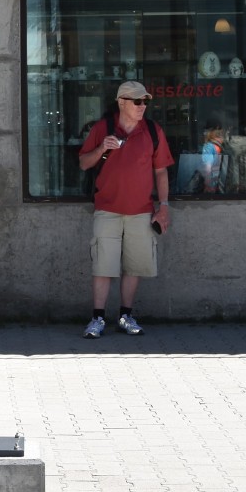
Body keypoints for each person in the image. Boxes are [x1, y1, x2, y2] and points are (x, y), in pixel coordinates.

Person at [77, 80, 172, 338]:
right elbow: (84, 163)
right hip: (107, 209)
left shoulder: (152, 131)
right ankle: (97, 318)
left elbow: (161, 172)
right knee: (103, 266)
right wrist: (102, 148)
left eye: (145, 101)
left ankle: (125, 316)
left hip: (141, 211)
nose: (143, 106)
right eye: (137, 101)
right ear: (121, 102)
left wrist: (164, 207)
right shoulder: (102, 128)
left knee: (134, 267)